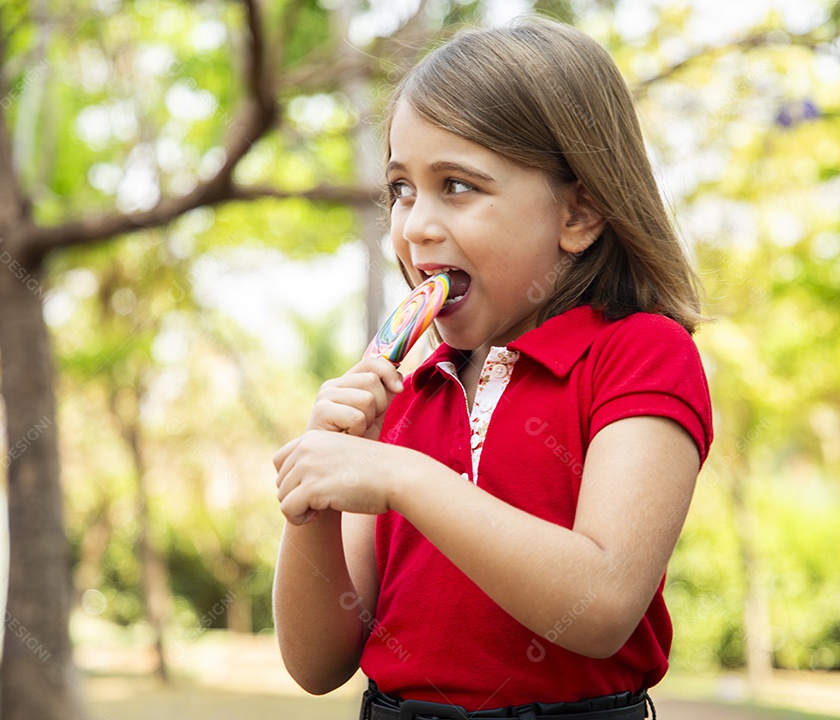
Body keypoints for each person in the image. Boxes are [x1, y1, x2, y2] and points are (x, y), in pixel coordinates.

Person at [272, 16, 712, 720]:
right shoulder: (409, 390)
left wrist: (402, 478)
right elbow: (316, 662)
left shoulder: (641, 353)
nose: (414, 225)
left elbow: (599, 606)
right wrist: (313, 504)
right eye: (401, 189)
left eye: (457, 186)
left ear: (579, 212)